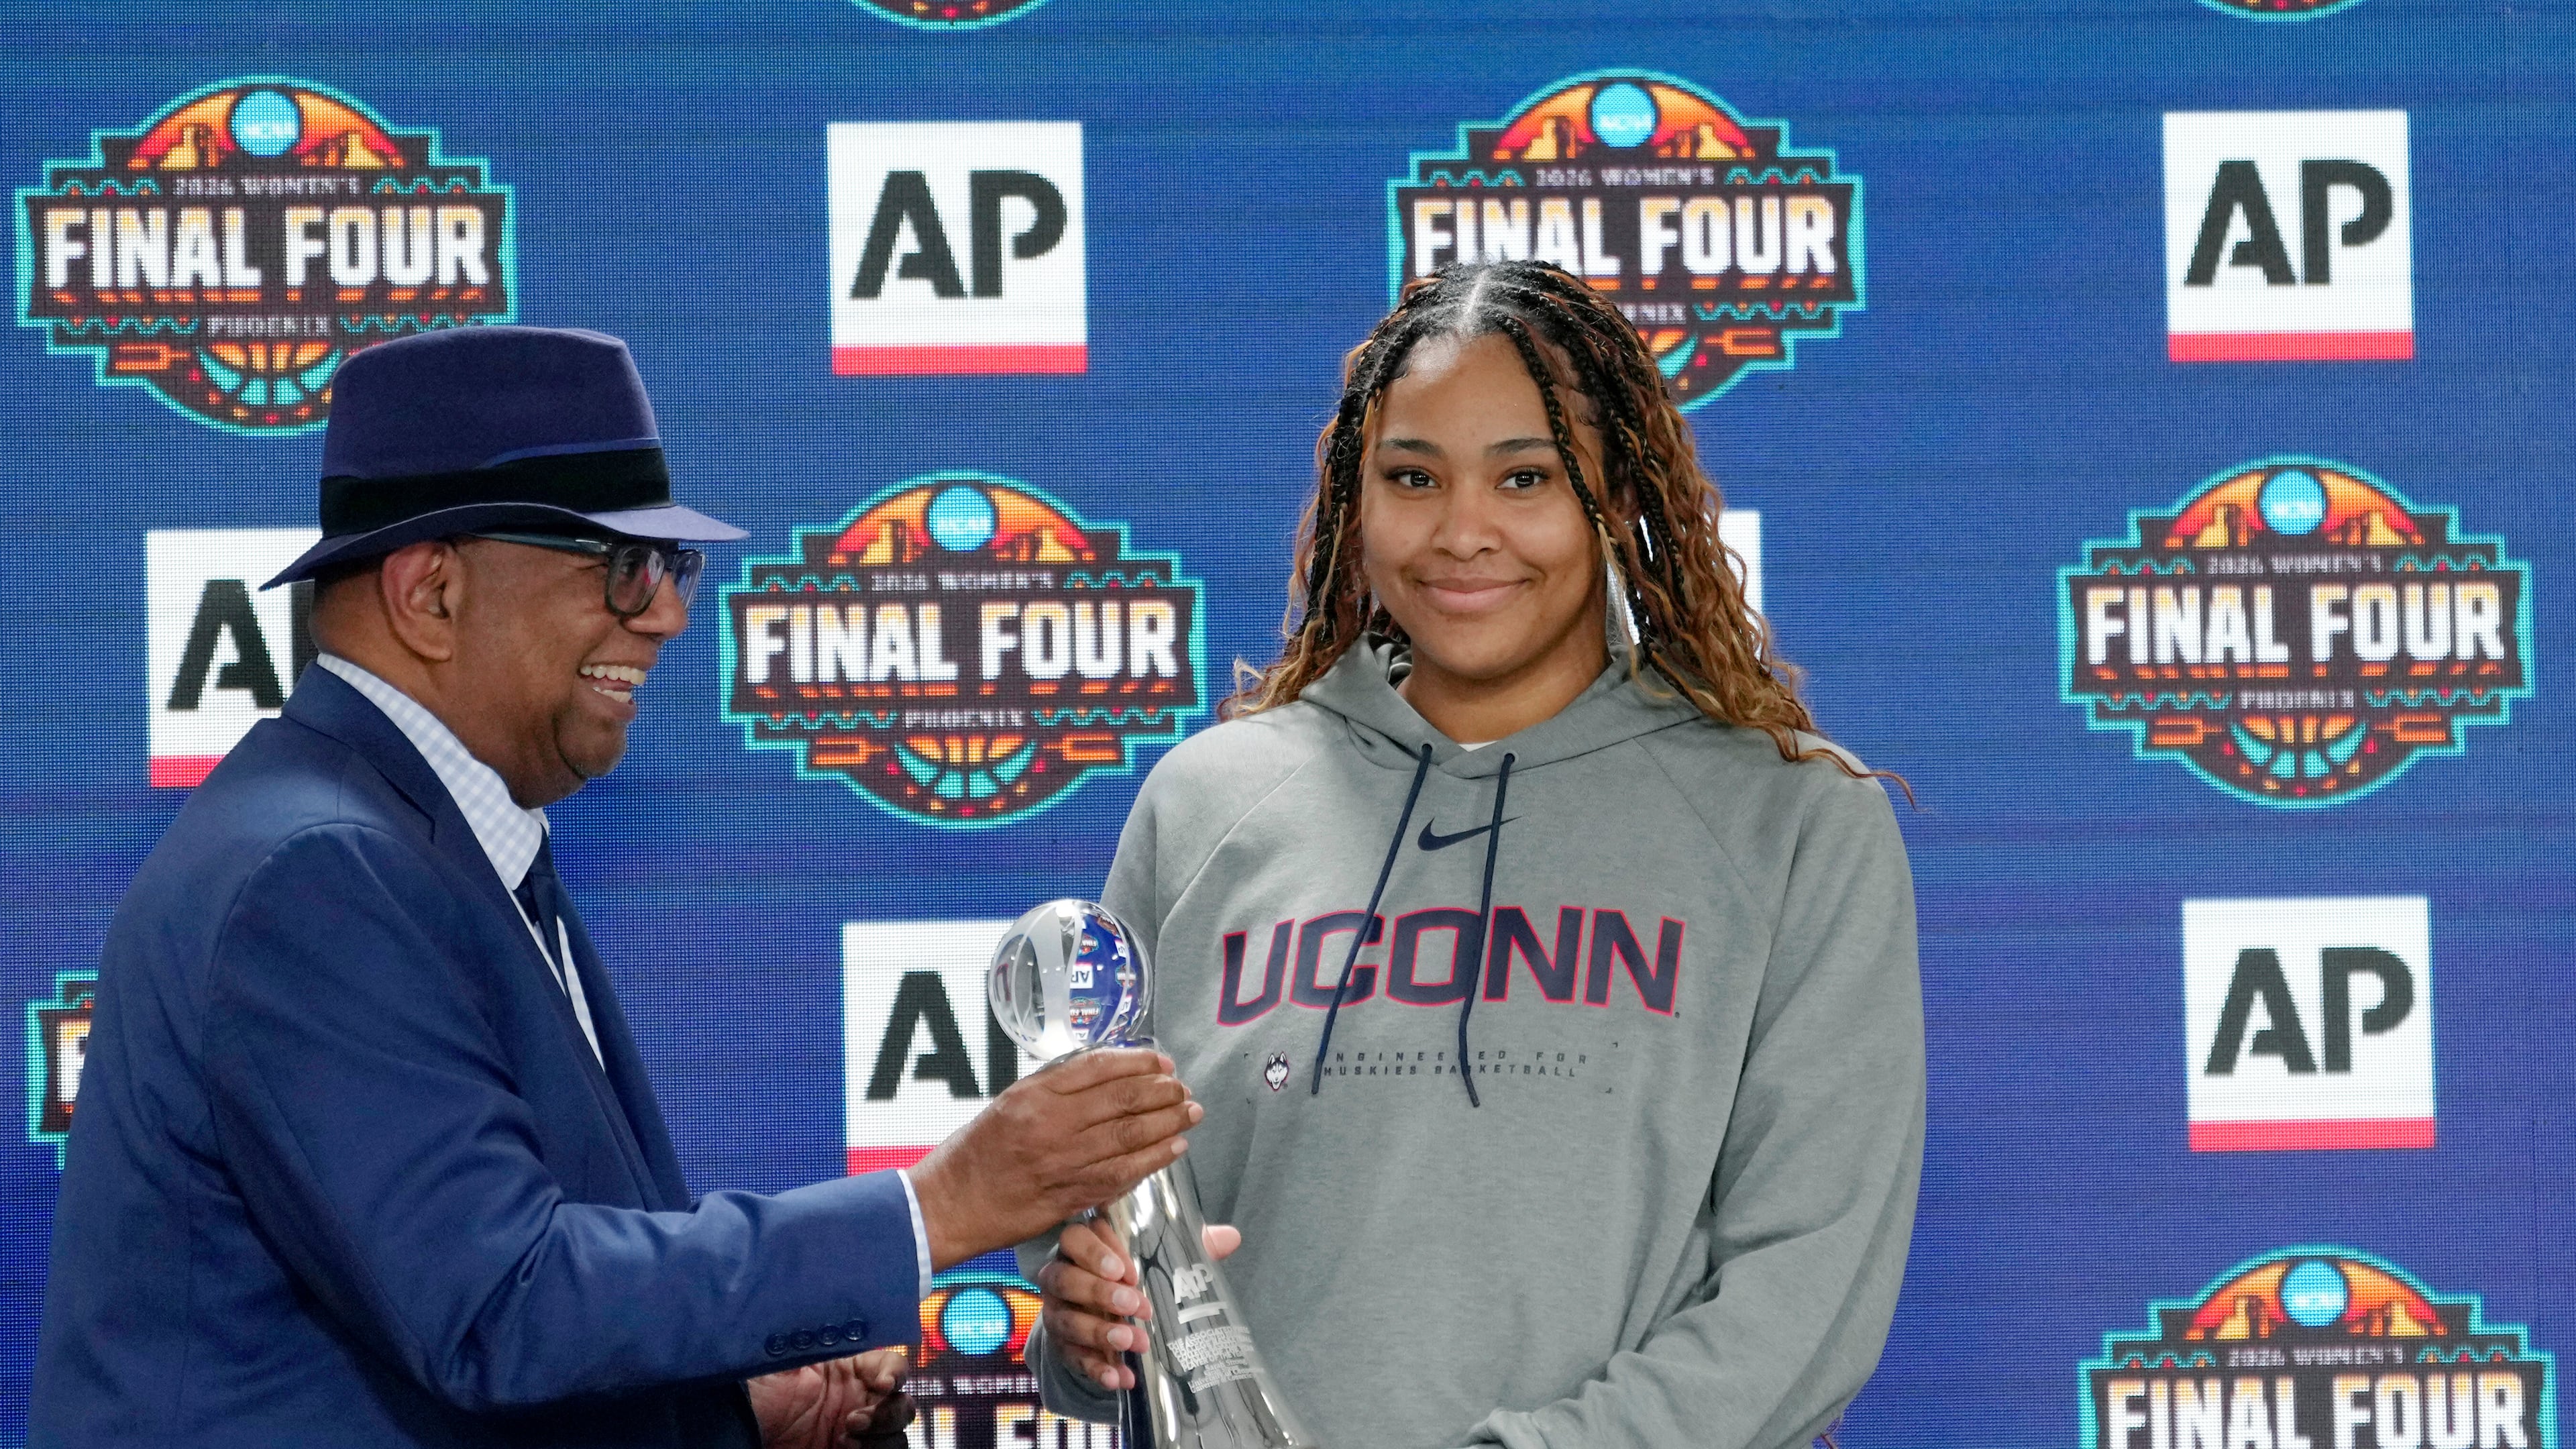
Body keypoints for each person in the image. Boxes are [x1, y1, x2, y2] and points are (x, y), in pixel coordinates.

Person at [31, 327, 1200, 1449]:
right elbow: (500, 1304)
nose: (671, 615)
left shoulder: (427, 841)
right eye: (626, 567)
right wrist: (937, 1206)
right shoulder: (320, 870)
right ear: (429, 594)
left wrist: (714, 1418)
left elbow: (467, 1322)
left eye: (673, 567)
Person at [1026, 260, 1925, 1448]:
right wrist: (1090, 1331)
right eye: (1413, 478)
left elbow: (1804, 1297)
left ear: (1622, 502)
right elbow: (1126, 1245)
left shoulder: (1797, 826)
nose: (1462, 532)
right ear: (1358, 498)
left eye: (1526, 478)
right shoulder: (1209, 805)